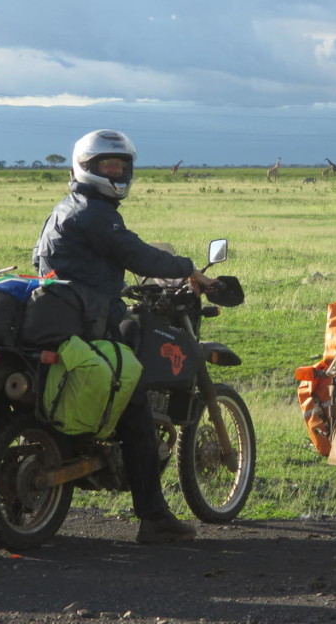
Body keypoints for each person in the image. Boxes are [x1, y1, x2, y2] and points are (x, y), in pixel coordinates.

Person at [33, 129, 217, 544]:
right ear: (86, 166)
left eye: (121, 165)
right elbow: (136, 253)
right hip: (88, 321)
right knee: (133, 401)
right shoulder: (95, 214)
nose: (116, 172)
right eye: (107, 166)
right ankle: (153, 516)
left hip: (63, 317)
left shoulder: (65, 208)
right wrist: (188, 268)